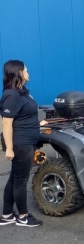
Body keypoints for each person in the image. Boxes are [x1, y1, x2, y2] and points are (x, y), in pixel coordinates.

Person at [0, 60, 47, 227]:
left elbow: (23, 116)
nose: (28, 72)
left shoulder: (22, 92)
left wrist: (37, 124)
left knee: (14, 178)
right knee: (20, 181)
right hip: (20, 144)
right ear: (19, 72)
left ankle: (6, 215)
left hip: (27, 139)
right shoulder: (11, 95)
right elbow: (6, 123)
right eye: (26, 69)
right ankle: (22, 217)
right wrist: (9, 148)